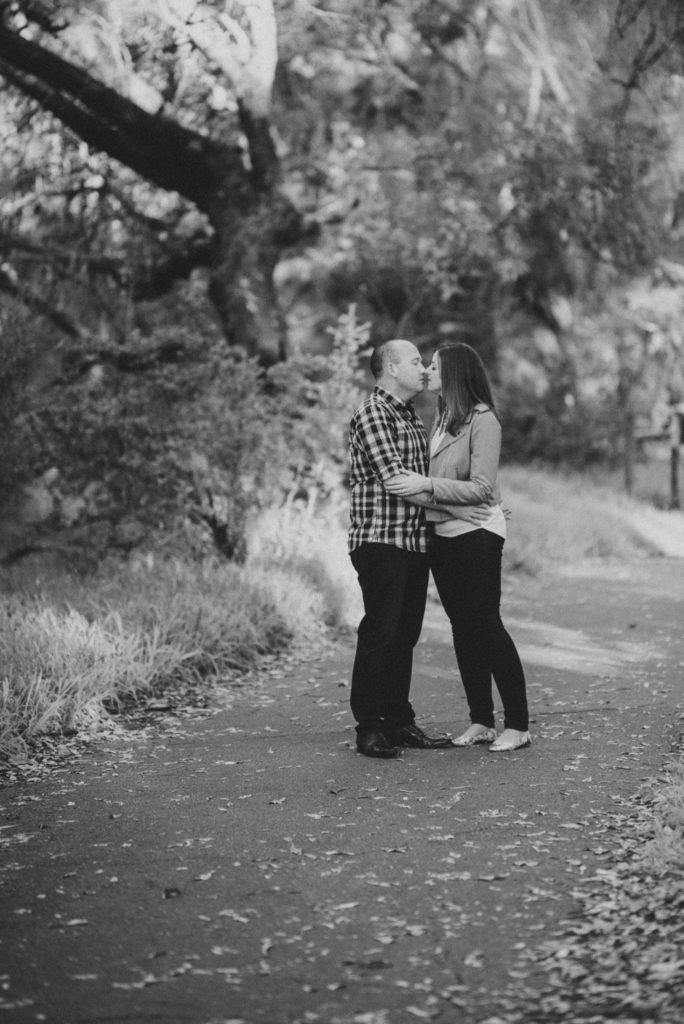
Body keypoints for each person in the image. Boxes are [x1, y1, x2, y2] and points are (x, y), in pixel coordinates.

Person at [386, 342, 530, 753]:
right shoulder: (442, 418)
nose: (427, 371)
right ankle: (482, 720)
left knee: (485, 624)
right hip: (444, 534)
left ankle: (517, 725)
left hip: (478, 535)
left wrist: (428, 486)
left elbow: (482, 488)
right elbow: (441, 491)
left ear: (456, 373)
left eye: (433, 365)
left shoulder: (484, 420)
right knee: (463, 629)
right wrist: (434, 499)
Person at [348, 338, 484, 758]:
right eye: (414, 361)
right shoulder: (373, 413)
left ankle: (398, 720)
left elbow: (424, 478)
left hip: (412, 541)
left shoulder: (409, 415)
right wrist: (462, 507)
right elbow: (396, 481)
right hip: (380, 540)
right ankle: (370, 726)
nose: (423, 368)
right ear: (390, 367)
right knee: (381, 632)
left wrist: (461, 501)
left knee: (405, 634)